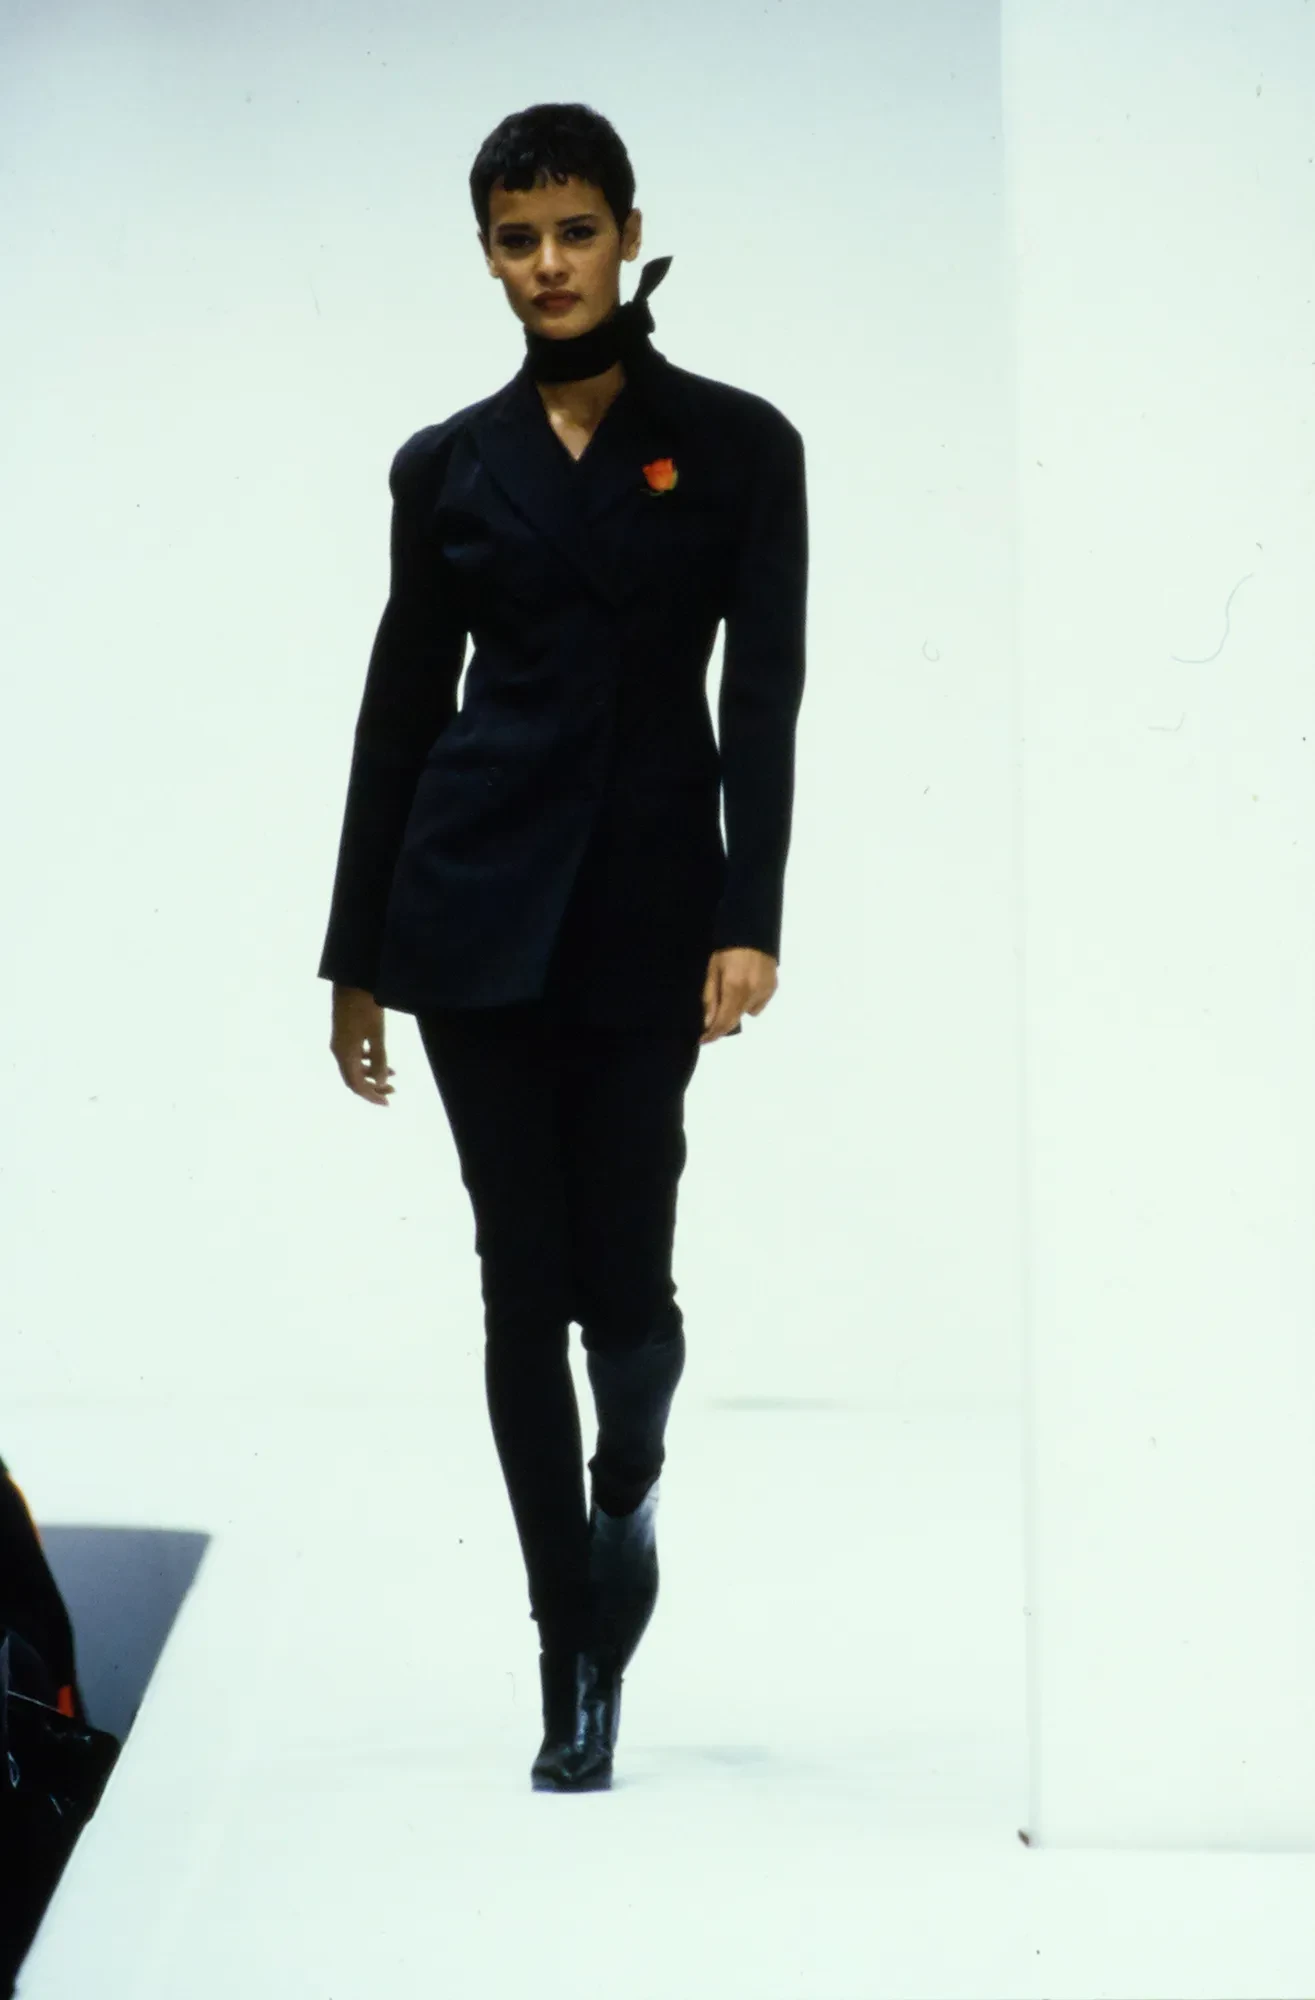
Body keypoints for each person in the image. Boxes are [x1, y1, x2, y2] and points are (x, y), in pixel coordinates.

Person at [317, 101, 808, 1792]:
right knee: (518, 1282)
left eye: (574, 232)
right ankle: (567, 1656)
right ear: (487, 255)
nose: (547, 265)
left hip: (646, 911)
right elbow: (400, 707)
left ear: (625, 232)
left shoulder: (737, 444)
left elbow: (764, 694)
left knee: (628, 1285)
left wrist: (749, 918)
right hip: (469, 909)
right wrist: (356, 951)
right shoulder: (447, 464)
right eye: (516, 240)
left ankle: (629, 1485)